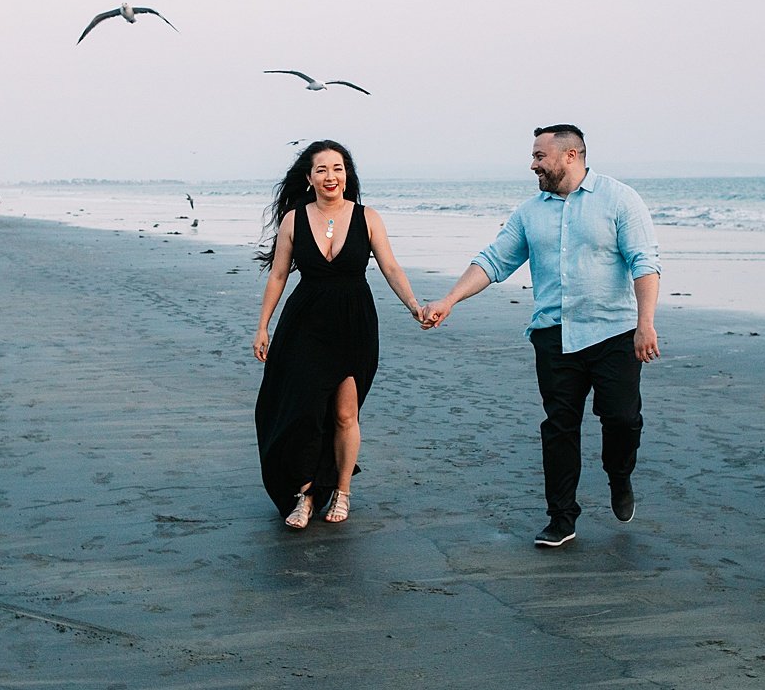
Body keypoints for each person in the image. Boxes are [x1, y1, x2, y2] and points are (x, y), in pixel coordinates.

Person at [420, 125, 661, 548]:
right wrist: (450, 298)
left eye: (539, 156)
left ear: (571, 155)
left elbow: (645, 262)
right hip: (554, 336)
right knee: (559, 427)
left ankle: (619, 475)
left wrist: (646, 323)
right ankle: (561, 517)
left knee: (622, 419)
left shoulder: (619, 199)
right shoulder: (531, 212)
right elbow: (494, 260)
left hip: (614, 333)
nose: (533, 164)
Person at [253, 140, 423, 529]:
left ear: (347, 174)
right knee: (302, 413)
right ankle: (306, 493)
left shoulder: (369, 218)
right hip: (305, 325)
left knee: (346, 414)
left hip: (353, 325)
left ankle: (342, 491)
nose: (331, 176)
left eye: (338, 168)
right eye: (322, 170)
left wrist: (414, 305)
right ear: (309, 178)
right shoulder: (294, 220)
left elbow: (391, 268)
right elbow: (279, 274)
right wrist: (262, 325)